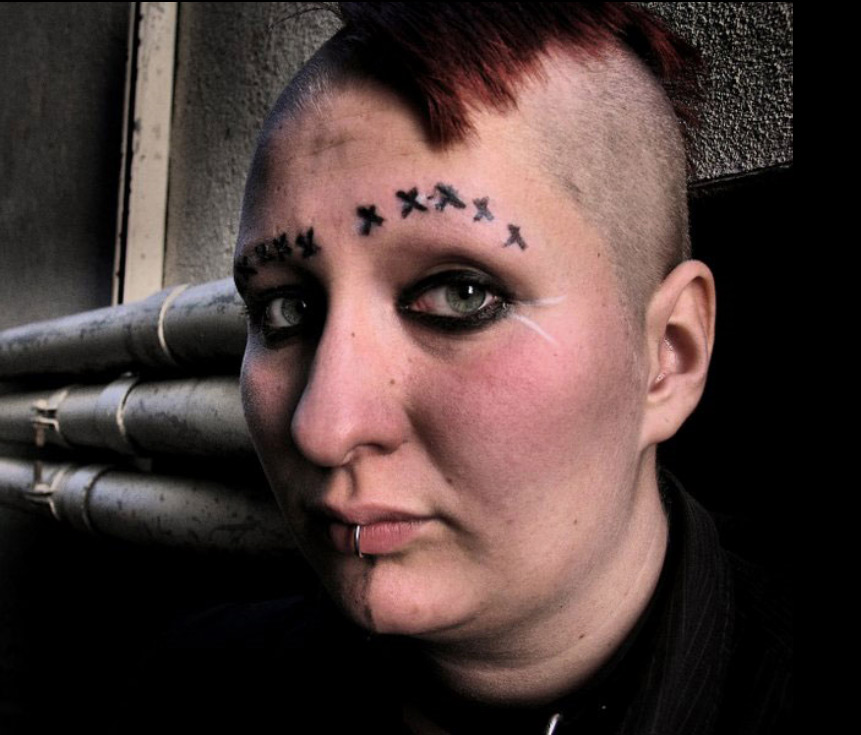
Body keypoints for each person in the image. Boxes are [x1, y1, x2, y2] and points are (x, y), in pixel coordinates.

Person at [142, 4, 790, 733]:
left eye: (461, 296)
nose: (322, 428)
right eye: (284, 311)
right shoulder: (183, 693)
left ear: (669, 354)